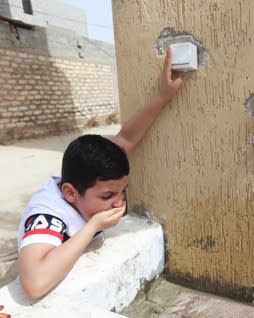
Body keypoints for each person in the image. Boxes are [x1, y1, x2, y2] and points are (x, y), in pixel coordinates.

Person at [16, 48, 183, 300]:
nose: (119, 202)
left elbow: (127, 137)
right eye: (107, 196)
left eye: (122, 192)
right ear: (70, 193)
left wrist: (163, 95)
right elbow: (34, 285)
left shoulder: (95, 173)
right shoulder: (48, 217)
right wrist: (93, 225)